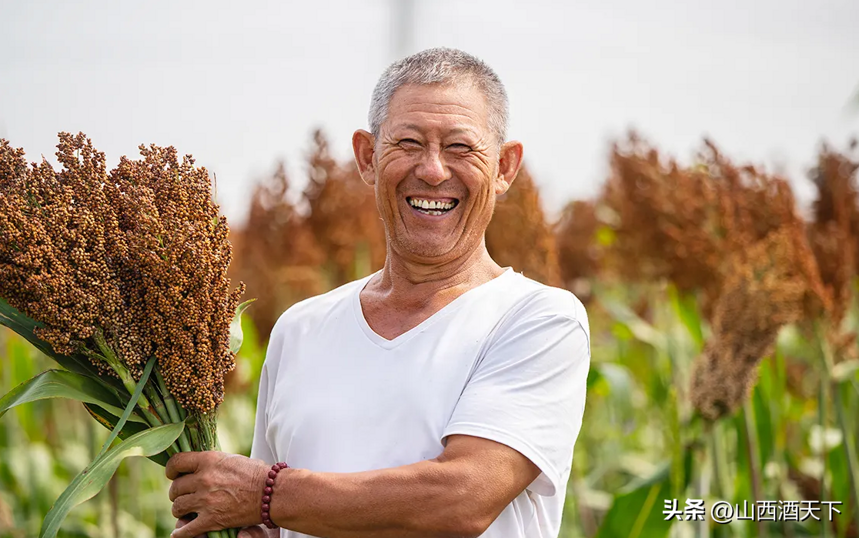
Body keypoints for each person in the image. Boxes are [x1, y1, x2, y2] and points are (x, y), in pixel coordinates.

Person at [166, 47, 591, 538]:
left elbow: (463, 497)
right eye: (408, 143)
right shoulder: (299, 329)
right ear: (368, 158)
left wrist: (264, 495)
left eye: (460, 148)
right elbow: (269, 524)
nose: (433, 170)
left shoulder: (538, 319)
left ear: (504, 168)